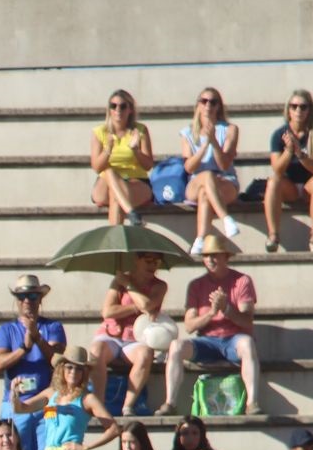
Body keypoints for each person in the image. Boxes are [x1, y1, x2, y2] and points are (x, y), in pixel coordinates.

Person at [165, 234, 260, 415]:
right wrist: (211, 312)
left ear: (226, 257)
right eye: (206, 255)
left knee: (247, 344)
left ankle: (252, 402)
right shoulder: (196, 285)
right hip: (207, 341)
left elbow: (247, 321)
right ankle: (170, 402)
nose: (210, 259)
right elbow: (190, 326)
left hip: (234, 340)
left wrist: (227, 310)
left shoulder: (242, 281)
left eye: (215, 255)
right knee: (176, 346)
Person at [0, 275, 64, 450]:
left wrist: (38, 338)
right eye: (21, 296)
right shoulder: (6, 329)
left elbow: (59, 360)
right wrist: (24, 348)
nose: (27, 301)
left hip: (46, 403)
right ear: (16, 300)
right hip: (15, 402)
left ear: (40, 299)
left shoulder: (53, 326)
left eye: (32, 296)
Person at [87, 250, 167, 416]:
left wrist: (129, 286)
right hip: (111, 334)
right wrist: (135, 306)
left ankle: (128, 405)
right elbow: (108, 312)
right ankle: (99, 404)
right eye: (149, 260)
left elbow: (147, 305)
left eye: (156, 262)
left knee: (145, 354)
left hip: (136, 338)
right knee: (96, 351)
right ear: (137, 259)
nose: (152, 266)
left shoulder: (159, 286)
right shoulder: (118, 281)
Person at [266, 89, 313, 253]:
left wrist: (300, 154)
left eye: (303, 107)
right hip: (290, 187)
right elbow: (277, 169)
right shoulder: (279, 135)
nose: (298, 111)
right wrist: (288, 151)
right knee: (273, 181)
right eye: (294, 106)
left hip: (311, 185)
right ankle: (273, 235)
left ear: (310, 110)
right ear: (288, 109)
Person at [180, 86, 241, 248]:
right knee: (207, 176)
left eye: (213, 102)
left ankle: (200, 240)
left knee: (205, 193)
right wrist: (204, 146)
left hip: (225, 181)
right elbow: (189, 168)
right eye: (204, 101)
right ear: (198, 105)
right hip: (196, 180)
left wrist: (213, 141)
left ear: (218, 106)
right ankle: (225, 218)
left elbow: (224, 164)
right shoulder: (188, 133)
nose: (208, 106)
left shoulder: (230, 130)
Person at [88, 89, 151, 226]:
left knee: (116, 196)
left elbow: (148, 165)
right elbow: (97, 167)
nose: (118, 110)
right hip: (105, 183)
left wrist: (136, 150)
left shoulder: (140, 130)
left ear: (130, 110)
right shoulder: (100, 132)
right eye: (113, 106)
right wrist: (108, 150)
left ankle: (115, 244)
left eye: (123, 106)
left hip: (135, 181)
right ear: (109, 109)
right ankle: (131, 213)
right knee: (109, 172)